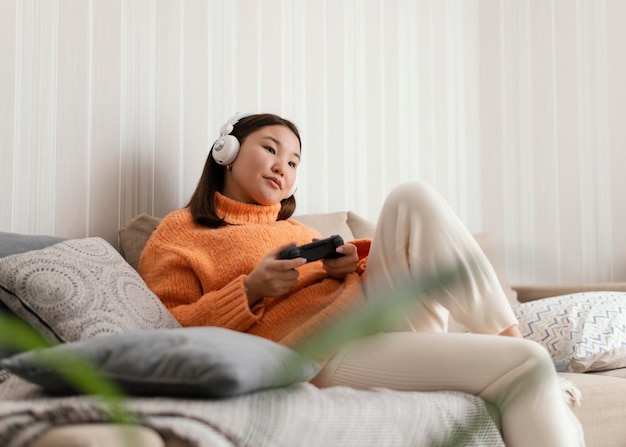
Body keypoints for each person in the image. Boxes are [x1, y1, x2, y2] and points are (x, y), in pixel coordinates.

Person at [138, 112, 584, 447]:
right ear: (227, 154)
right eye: (270, 149)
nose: (282, 166)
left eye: (294, 161)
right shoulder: (180, 233)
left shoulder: (297, 232)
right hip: (321, 351)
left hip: (374, 316)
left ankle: (508, 334)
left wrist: (351, 265)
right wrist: (250, 291)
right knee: (526, 365)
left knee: (412, 196)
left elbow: (371, 275)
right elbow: (169, 333)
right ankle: (522, 352)